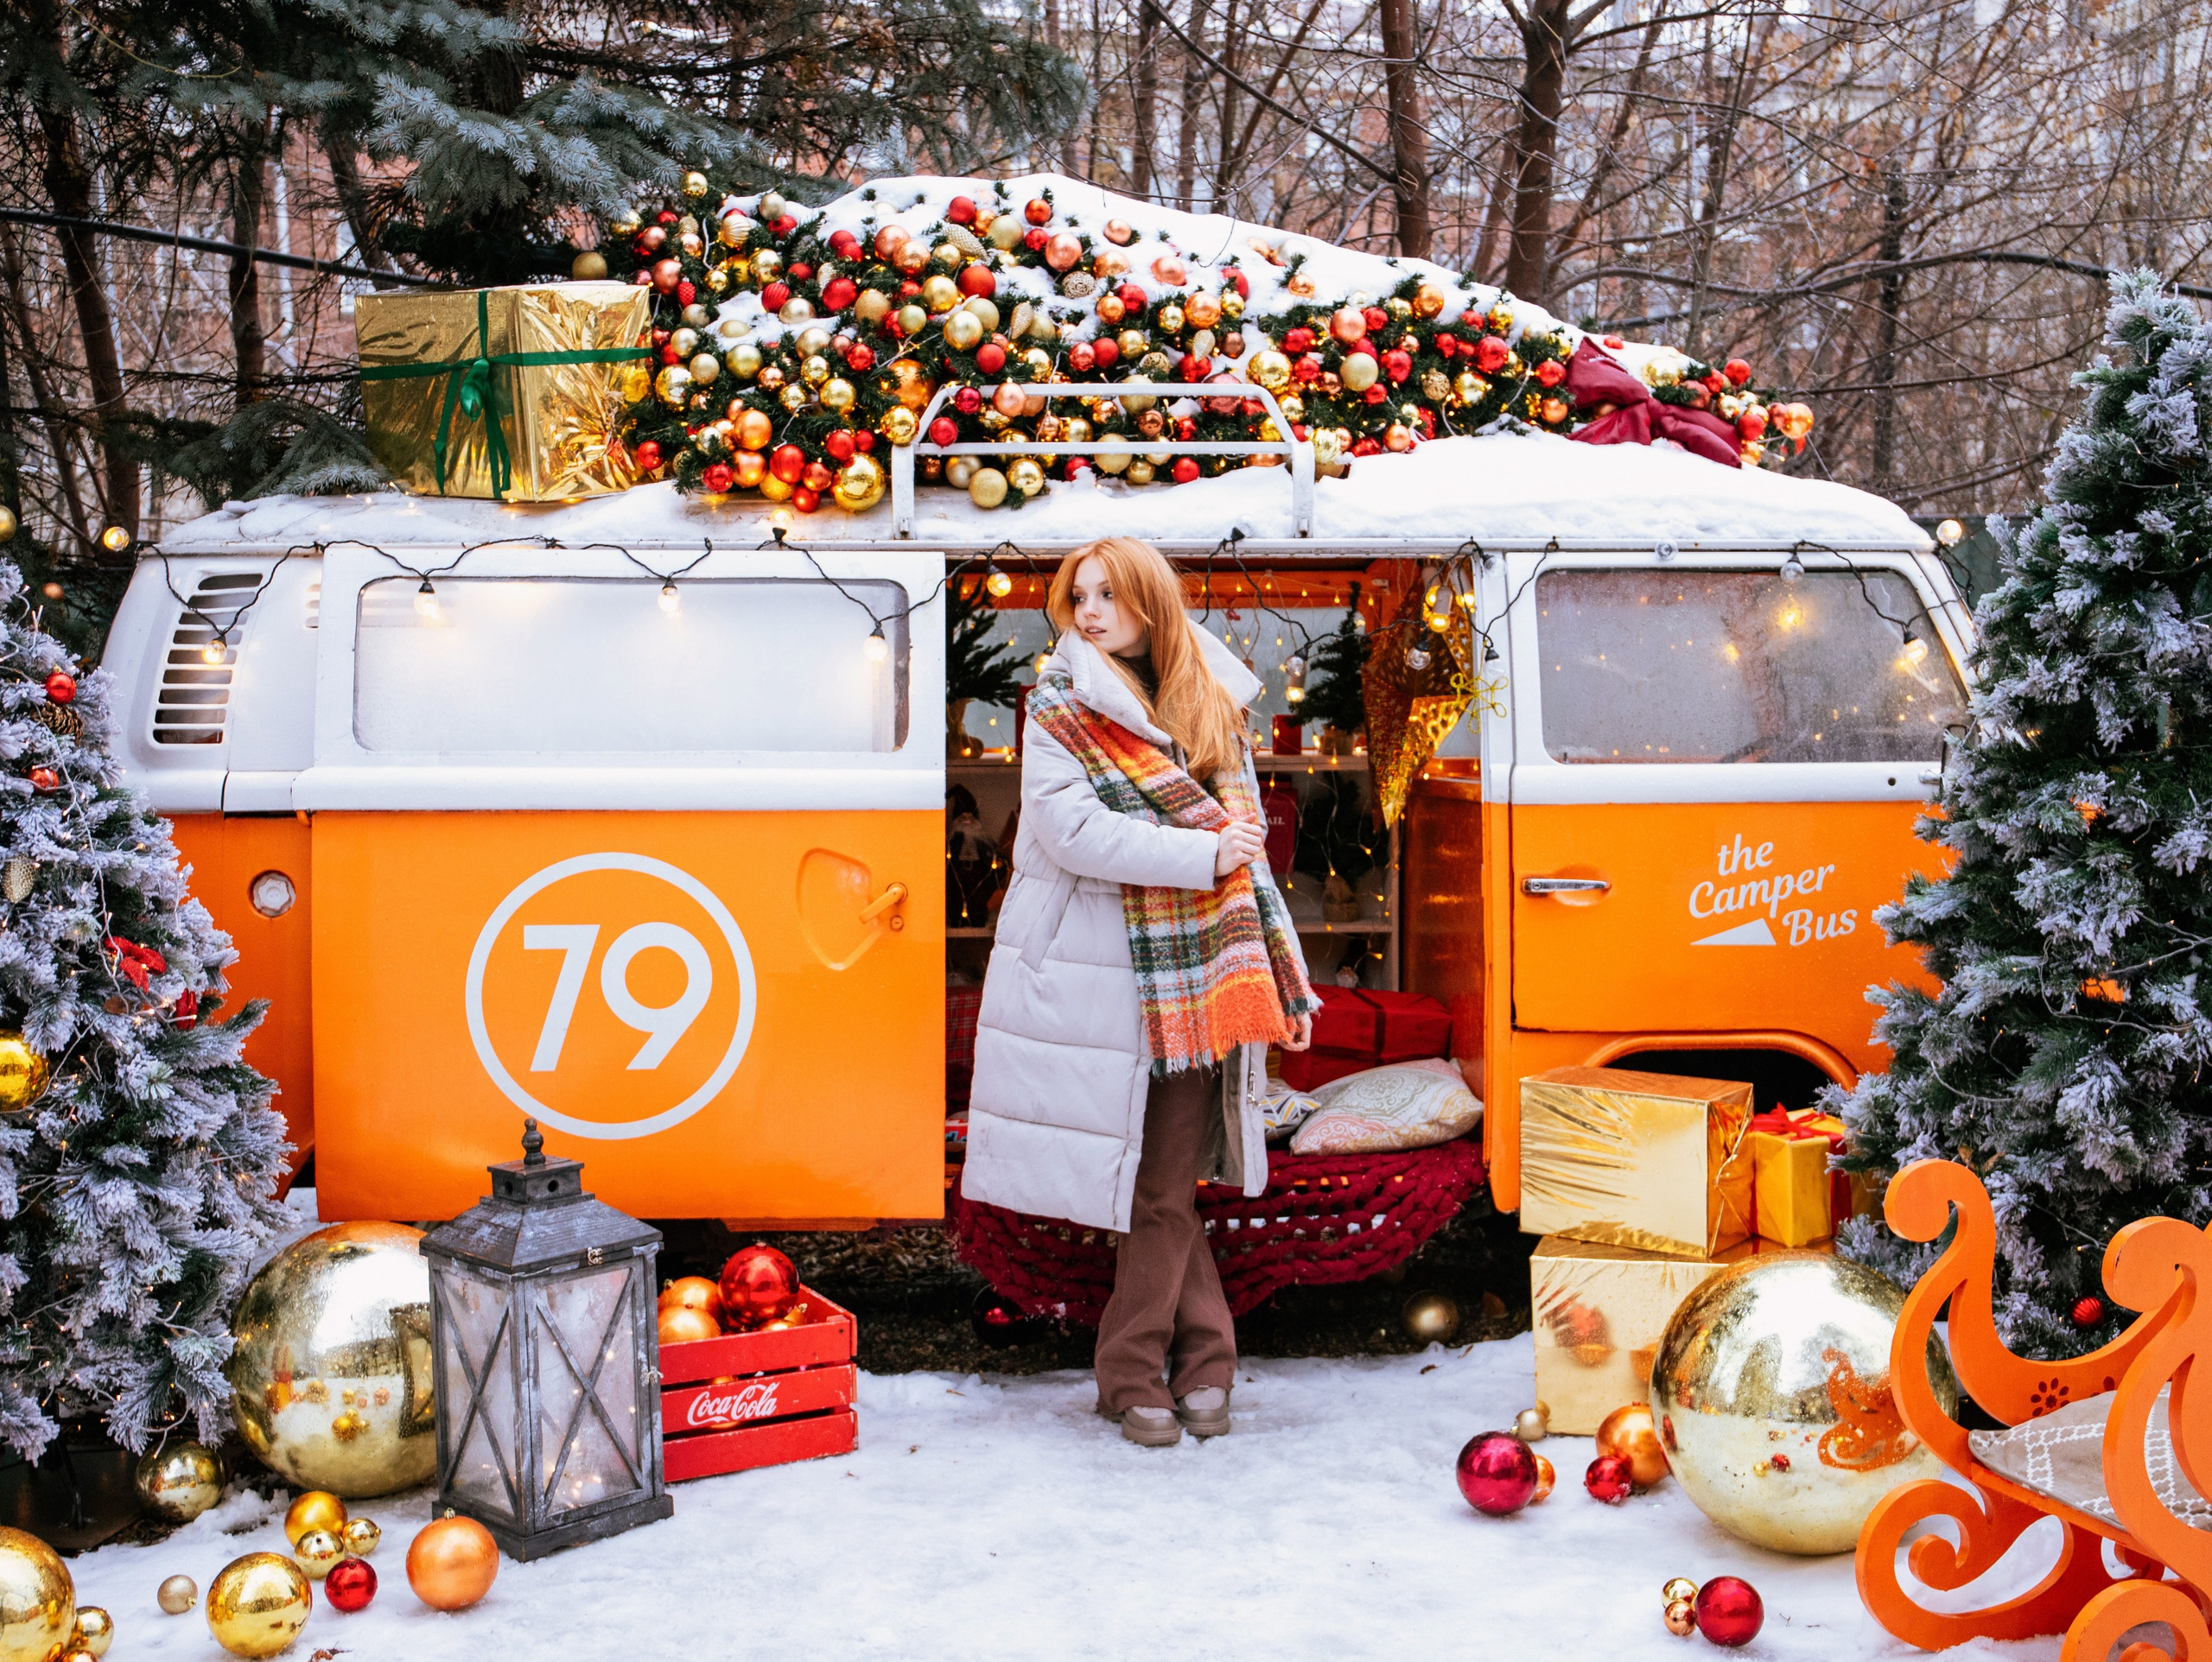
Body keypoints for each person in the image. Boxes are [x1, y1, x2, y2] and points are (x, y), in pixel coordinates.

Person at [964, 536, 1316, 1448]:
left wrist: (1255, 919)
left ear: (1148, 604)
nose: (1086, 612)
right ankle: (1157, 1375)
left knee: (1162, 1184)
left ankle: (1175, 1372)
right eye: (1076, 595)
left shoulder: (1209, 703)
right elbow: (1074, 831)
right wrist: (1202, 853)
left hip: (1199, 972)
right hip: (1098, 982)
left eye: (1106, 596)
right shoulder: (1058, 707)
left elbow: (1246, 851)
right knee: (1155, 1188)